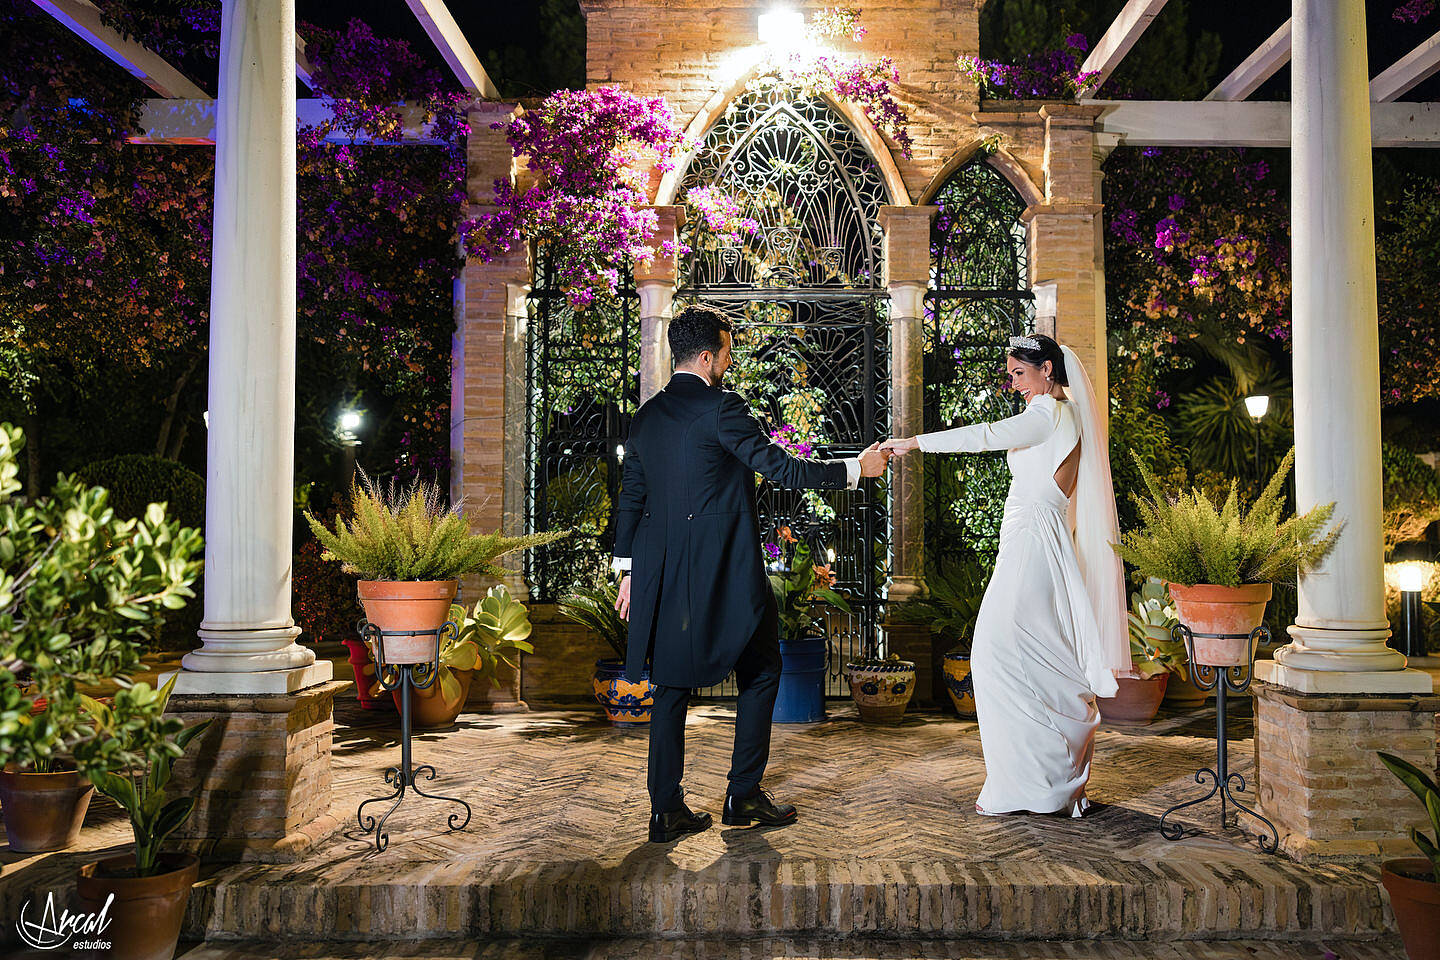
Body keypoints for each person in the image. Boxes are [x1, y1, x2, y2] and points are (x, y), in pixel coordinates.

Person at [612, 303, 891, 843]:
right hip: (724, 571)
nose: (729, 361)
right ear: (709, 355)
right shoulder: (723, 408)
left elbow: (632, 500)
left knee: (668, 687)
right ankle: (742, 795)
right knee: (762, 668)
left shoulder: (645, 418)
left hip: (663, 572)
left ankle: (665, 810)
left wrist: (627, 572)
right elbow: (782, 468)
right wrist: (857, 467)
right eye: (727, 352)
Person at [881, 333, 1128, 817]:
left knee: (996, 648)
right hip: (1036, 535)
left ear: (1047, 371)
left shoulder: (1047, 414)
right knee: (1028, 649)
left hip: (1034, 537)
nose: (1013, 383)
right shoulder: (1070, 414)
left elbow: (985, 435)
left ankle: (1040, 783)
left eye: (1019, 373)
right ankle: (1045, 780)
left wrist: (914, 442)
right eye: (1011, 374)